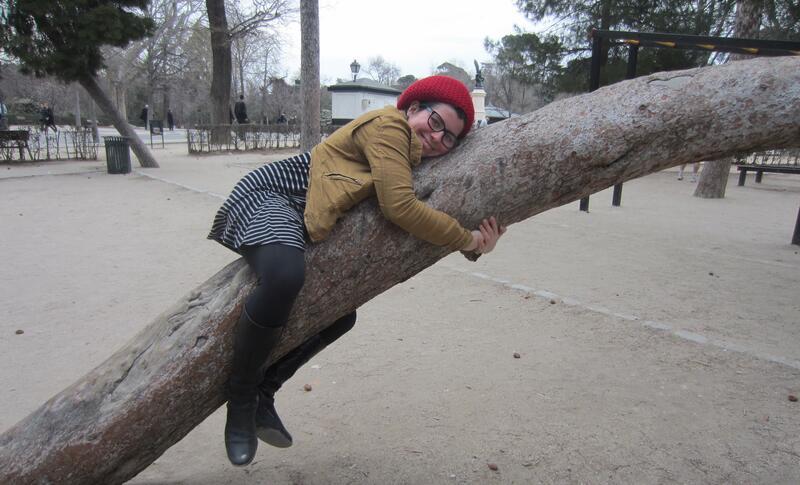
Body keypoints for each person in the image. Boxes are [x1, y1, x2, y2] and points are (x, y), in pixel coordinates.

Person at [208, 75, 506, 466]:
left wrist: (478, 247)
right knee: (284, 275)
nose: (438, 139)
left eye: (449, 137)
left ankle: (266, 390)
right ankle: (242, 400)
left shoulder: (407, 153)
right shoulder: (389, 126)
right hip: (275, 194)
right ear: (413, 108)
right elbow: (400, 208)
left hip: (303, 214)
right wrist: (467, 240)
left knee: (339, 315)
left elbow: (421, 215)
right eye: (435, 123)